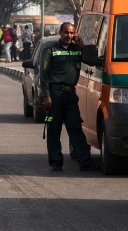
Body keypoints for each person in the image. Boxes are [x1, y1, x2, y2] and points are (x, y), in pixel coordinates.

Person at [39, 22, 98, 172]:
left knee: (75, 128)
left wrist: (83, 46)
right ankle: (56, 162)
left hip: (71, 94)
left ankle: (85, 161)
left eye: (72, 33)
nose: (69, 36)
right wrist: (46, 96)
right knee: (54, 129)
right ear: (60, 33)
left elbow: (91, 61)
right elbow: (44, 75)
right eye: (66, 33)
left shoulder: (77, 50)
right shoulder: (51, 50)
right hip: (55, 93)